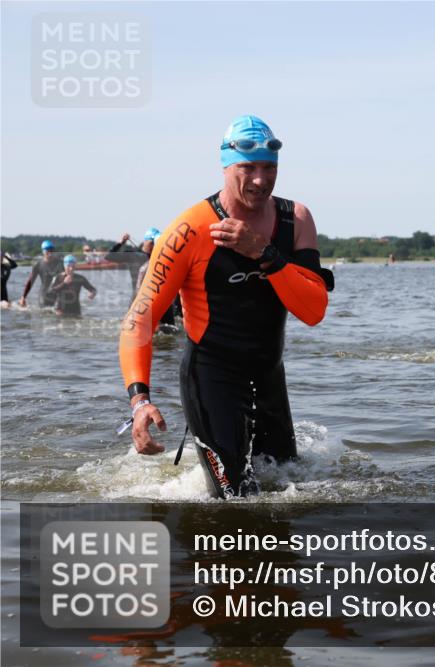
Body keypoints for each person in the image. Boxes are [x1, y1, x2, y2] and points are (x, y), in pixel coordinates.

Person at [119, 115, 332, 500]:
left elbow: (314, 310)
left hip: (269, 375)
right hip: (211, 378)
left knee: (290, 487)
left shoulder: (295, 219)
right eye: (247, 168)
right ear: (225, 166)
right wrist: (140, 401)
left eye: (269, 168)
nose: (259, 179)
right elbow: (139, 321)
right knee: (235, 501)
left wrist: (264, 254)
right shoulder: (190, 229)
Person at [133, 228, 181, 329]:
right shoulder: (142, 263)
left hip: (161, 304)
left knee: (169, 330)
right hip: (147, 303)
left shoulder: (164, 261)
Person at [106, 229, 159, 296]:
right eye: (153, 242)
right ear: (146, 241)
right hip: (137, 298)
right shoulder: (132, 255)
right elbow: (109, 256)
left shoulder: (158, 257)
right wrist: (121, 243)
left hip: (155, 298)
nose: (155, 245)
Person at [19, 240, 63, 307]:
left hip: (57, 295)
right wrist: (23, 297)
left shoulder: (60, 263)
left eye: (52, 250)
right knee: (44, 314)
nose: (50, 252)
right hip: (44, 295)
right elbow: (31, 281)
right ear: (43, 251)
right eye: (47, 250)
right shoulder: (38, 265)